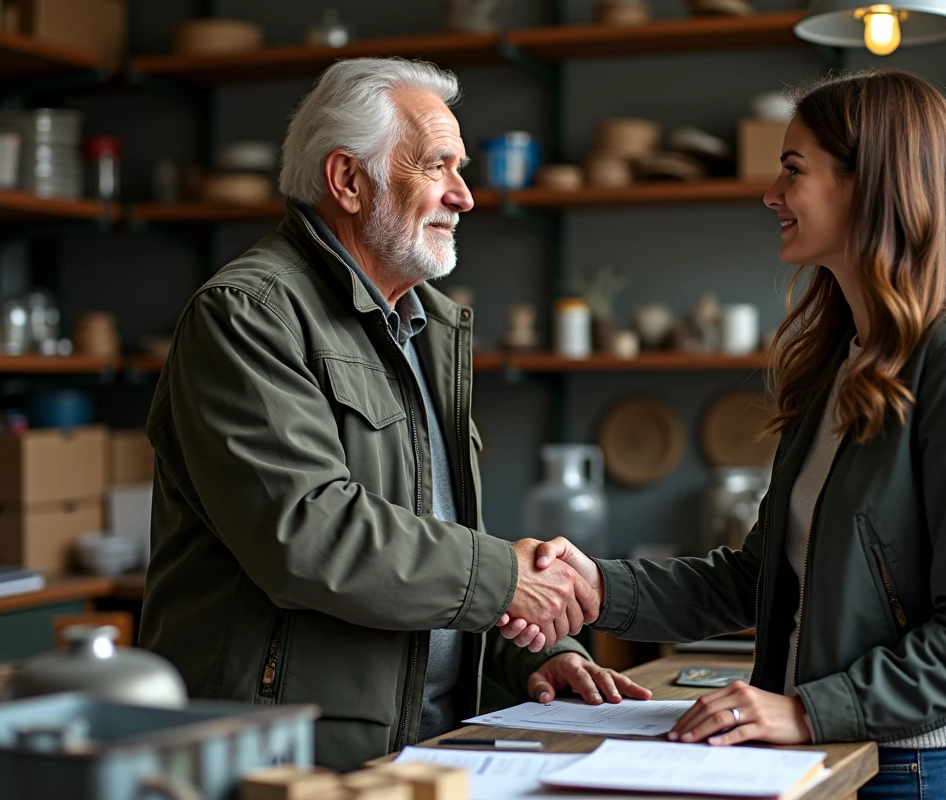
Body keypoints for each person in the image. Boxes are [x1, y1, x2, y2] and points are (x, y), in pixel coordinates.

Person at [515, 69, 946, 799]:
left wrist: (806, 708)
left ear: (870, 185)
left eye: (793, 170)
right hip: (819, 757)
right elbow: (756, 577)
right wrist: (594, 586)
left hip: (906, 770)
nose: (772, 193)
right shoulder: (846, 362)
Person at [138, 58, 648, 773]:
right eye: (438, 167)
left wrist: (530, 647)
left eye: (460, 169)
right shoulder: (249, 315)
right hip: (290, 755)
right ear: (348, 180)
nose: (465, 196)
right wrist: (508, 577)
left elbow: (430, 536)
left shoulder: (427, 327)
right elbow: (308, 534)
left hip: (425, 746)